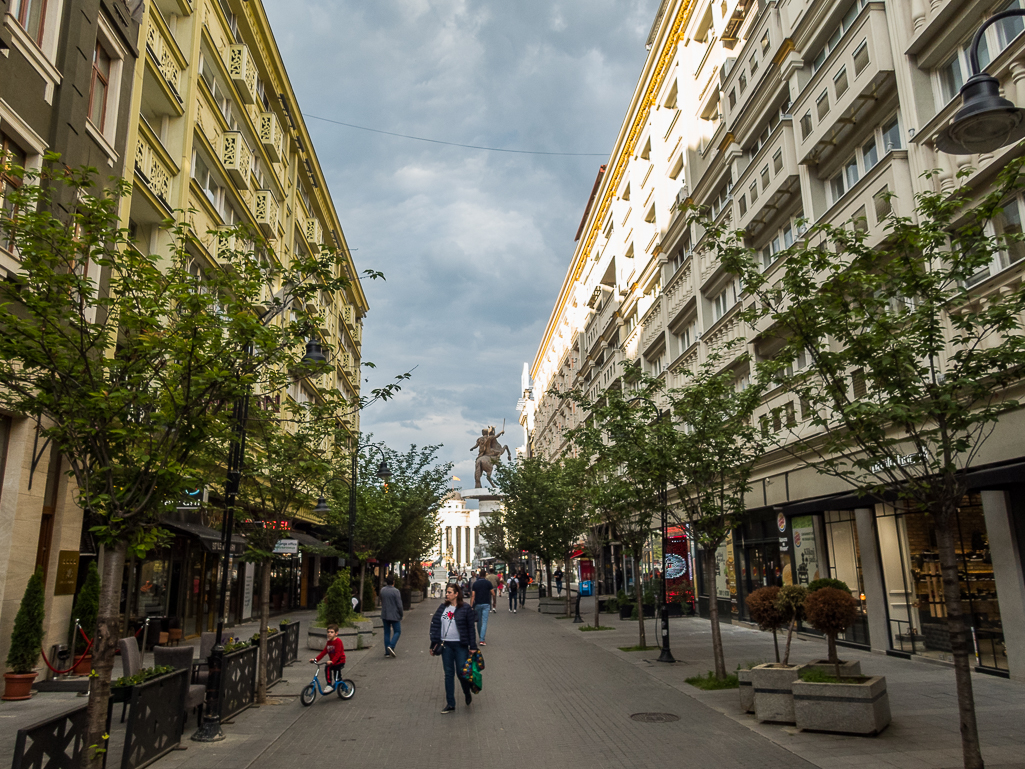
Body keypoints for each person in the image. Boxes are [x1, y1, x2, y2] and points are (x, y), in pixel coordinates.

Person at [429, 584, 478, 713]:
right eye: (447, 592)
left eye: (450, 592)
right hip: (446, 646)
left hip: (460, 645)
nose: (447, 594)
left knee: (462, 672)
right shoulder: (442, 608)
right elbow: (435, 626)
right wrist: (433, 645)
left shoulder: (465, 608)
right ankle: (450, 703)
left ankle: (467, 691)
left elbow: (471, 629)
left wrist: (472, 646)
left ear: (456, 594)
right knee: (448, 674)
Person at [310, 624, 346, 691]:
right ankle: (340, 683)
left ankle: (329, 685)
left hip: (339, 661)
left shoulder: (338, 641)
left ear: (336, 633)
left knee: (328, 667)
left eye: (332, 632)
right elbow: (324, 652)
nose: (329, 634)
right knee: (337, 677)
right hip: (334, 661)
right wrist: (315, 659)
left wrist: (332, 661)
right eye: (328, 632)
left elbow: (338, 654)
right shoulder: (329, 642)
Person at [380, 575, 404, 658]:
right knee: (397, 631)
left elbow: (381, 601)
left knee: (387, 632)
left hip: (385, 614)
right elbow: (399, 605)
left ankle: (387, 652)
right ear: (393, 582)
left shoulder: (382, 590)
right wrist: (401, 614)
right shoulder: (396, 591)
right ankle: (391, 645)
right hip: (394, 615)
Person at [469, 570, 494, 646]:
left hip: (477, 604)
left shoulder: (475, 584)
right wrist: (494, 602)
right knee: (485, 622)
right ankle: (482, 639)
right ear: (485, 575)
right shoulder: (488, 583)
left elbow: (473, 595)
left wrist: (471, 606)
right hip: (486, 604)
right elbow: (493, 593)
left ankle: (481, 637)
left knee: (479, 622)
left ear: (479, 575)